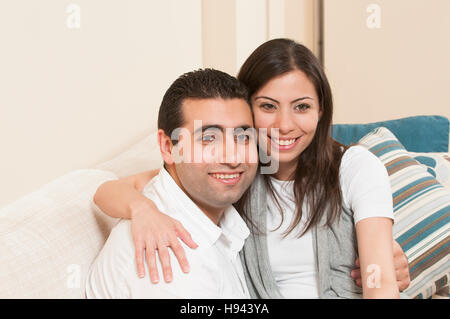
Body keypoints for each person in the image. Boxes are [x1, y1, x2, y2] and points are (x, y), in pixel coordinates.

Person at [93, 39, 410, 298]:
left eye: (301, 106)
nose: (285, 125)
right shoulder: (234, 177)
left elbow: (380, 283)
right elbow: (110, 188)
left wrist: (382, 260)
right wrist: (142, 210)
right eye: (268, 106)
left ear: (320, 110)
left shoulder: (352, 167)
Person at [86, 69, 259, 298]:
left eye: (243, 137)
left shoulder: (197, 206)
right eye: (209, 138)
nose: (234, 157)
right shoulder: (173, 262)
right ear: (168, 148)